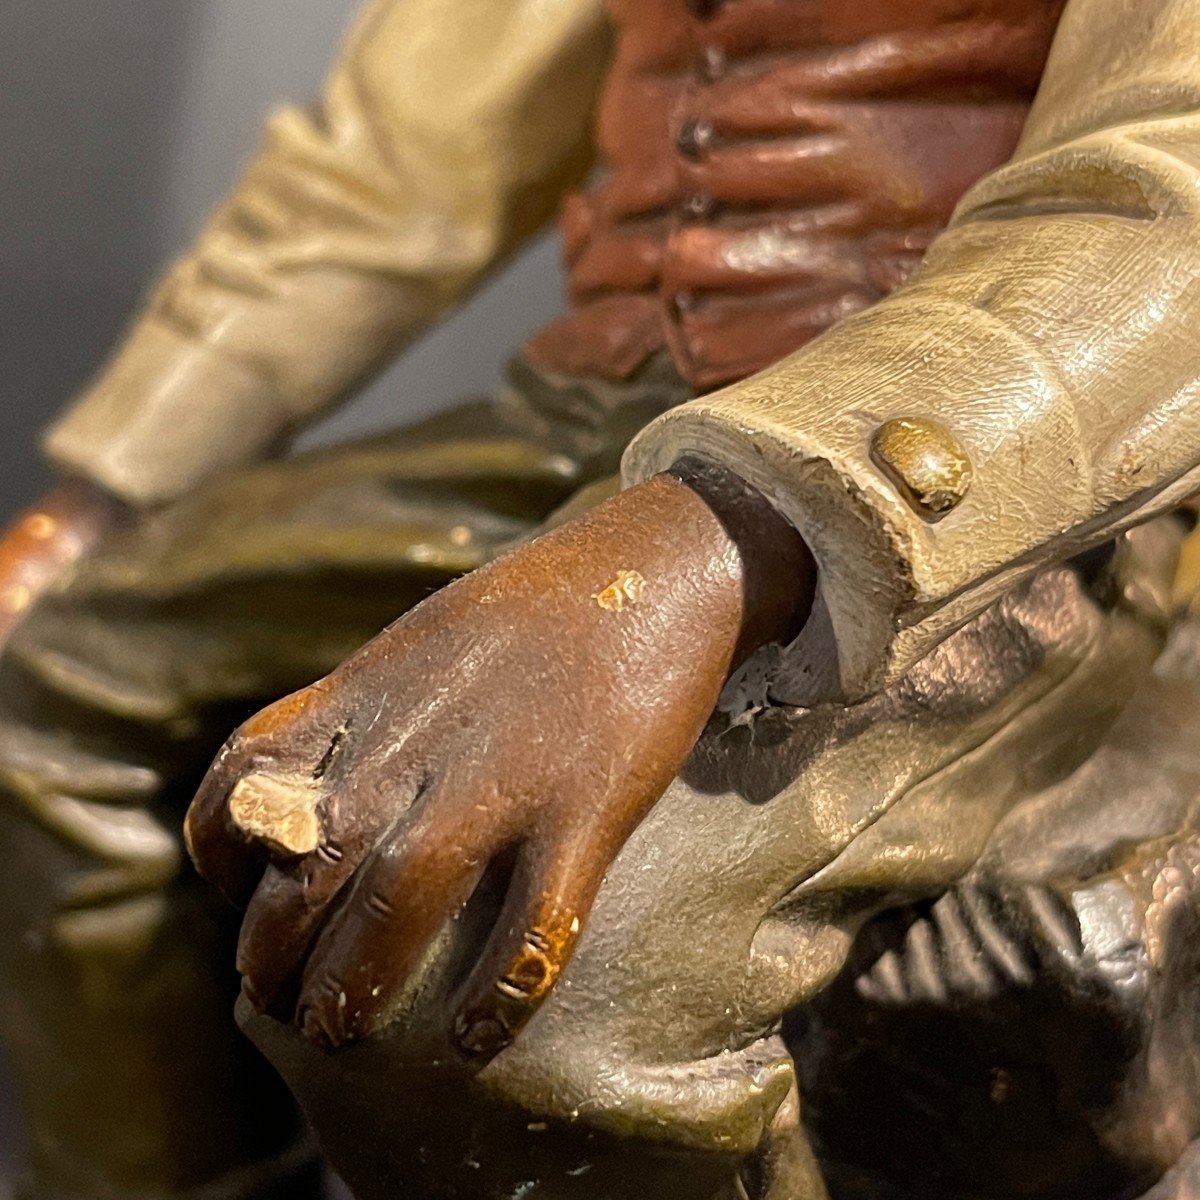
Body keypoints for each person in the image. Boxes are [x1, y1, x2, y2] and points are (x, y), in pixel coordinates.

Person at [6, 0, 1200, 1195]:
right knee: (52, 687)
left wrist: (723, 538)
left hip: (974, 472)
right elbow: (397, 161)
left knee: (485, 988)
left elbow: (1166, 187)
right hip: (583, 413)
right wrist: (101, 497)